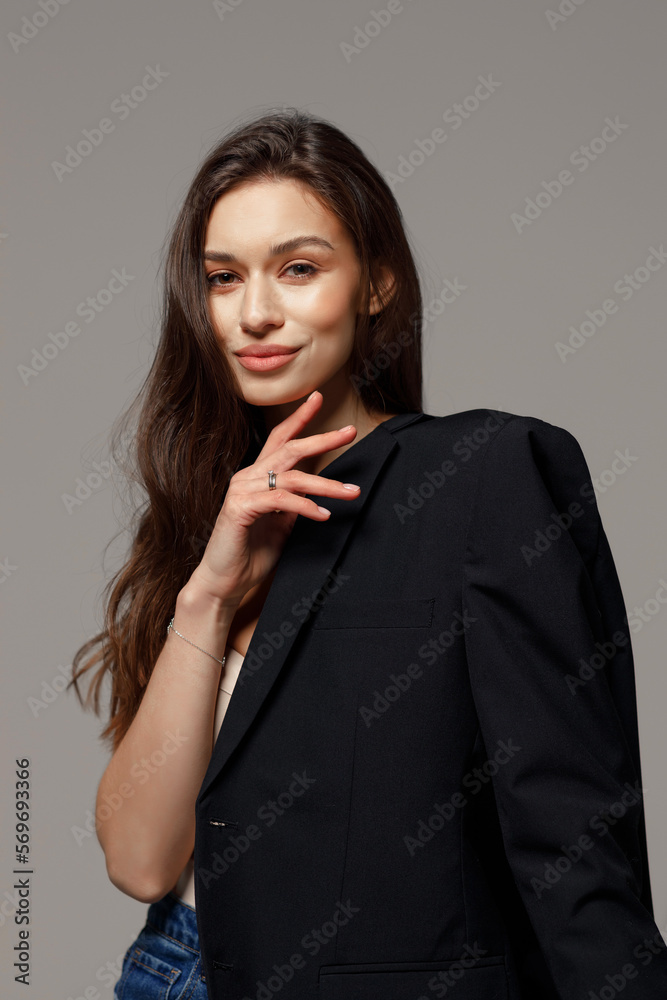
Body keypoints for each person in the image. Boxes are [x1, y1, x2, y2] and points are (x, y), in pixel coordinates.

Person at [70, 108, 667, 1000]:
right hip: (171, 971)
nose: (255, 313)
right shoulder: (206, 530)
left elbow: (570, 832)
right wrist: (208, 595)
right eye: (223, 278)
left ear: (377, 283)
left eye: (298, 269)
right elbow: (142, 862)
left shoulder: (481, 477)